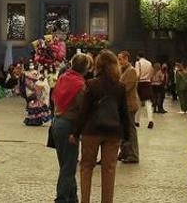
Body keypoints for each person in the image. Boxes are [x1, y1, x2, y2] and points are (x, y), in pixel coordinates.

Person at [71, 50, 132, 203]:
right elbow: (124, 113)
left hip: (92, 131)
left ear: (98, 65)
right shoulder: (120, 87)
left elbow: (84, 112)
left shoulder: (91, 84)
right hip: (113, 133)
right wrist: (127, 136)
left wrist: (75, 133)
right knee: (109, 170)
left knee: (86, 167)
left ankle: (85, 200)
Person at [52, 52, 92, 203]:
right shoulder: (80, 85)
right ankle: (61, 198)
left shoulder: (63, 78)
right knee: (68, 167)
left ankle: (72, 197)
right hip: (69, 125)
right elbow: (83, 110)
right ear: (85, 69)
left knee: (65, 164)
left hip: (57, 123)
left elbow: (53, 97)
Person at [116, 51, 140, 163]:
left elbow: (126, 88)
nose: (119, 62)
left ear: (126, 59)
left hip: (129, 105)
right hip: (122, 105)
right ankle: (124, 152)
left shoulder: (132, 71)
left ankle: (133, 154)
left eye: (120, 59)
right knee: (122, 130)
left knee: (130, 130)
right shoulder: (121, 70)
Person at [135, 52, 154, 128]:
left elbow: (137, 74)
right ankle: (150, 120)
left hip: (140, 83)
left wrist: (136, 83)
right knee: (148, 103)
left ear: (138, 56)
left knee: (138, 103)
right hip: (148, 83)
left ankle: (137, 121)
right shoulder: (149, 63)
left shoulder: (138, 63)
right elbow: (152, 72)